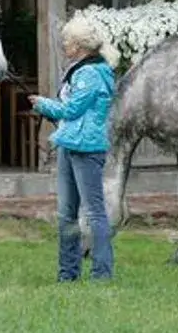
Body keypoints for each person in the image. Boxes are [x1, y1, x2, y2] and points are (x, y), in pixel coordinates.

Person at [28, 16, 119, 282]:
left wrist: (43, 104)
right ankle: (67, 273)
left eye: (68, 40)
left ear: (80, 46)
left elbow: (72, 109)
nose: (64, 44)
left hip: (86, 147)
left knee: (94, 212)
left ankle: (101, 273)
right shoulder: (83, 69)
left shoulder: (90, 73)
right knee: (67, 212)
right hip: (70, 143)